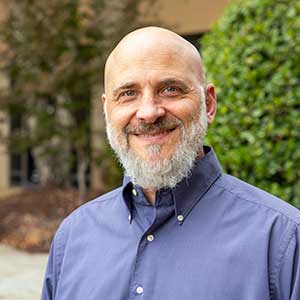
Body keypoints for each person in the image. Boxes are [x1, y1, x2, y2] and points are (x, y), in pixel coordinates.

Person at [42, 27, 300, 300]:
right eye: (128, 93)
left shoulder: (282, 240)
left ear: (208, 104)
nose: (149, 112)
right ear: (108, 110)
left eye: (170, 89)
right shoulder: (72, 238)